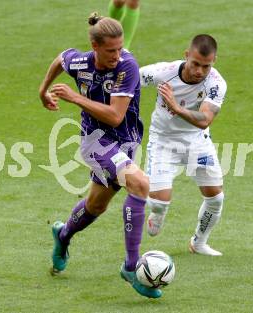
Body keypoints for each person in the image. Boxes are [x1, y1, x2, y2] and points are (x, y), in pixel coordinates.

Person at [38, 12, 162, 298]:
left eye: (120, 48)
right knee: (140, 183)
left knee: (96, 206)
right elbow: (61, 58)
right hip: (97, 143)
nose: (118, 55)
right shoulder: (80, 61)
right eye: (111, 50)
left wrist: (76, 98)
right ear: (95, 47)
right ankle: (131, 267)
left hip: (126, 142)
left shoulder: (127, 67)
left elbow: (116, 116)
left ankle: (63, 235)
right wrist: (42, 91)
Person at [140, 34, 227, 256]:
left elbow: (205, 120)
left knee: (216, 198)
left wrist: (176, 108)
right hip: (163, 141)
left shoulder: (216, 83)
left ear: (214, 61)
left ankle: (198, 243)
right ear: (186, 55)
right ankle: (158, 211)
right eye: (195, 63)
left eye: (206, 66)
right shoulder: (163, 72)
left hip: (197, 142)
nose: (199, 71)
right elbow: (131, 79)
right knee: (159, 203)